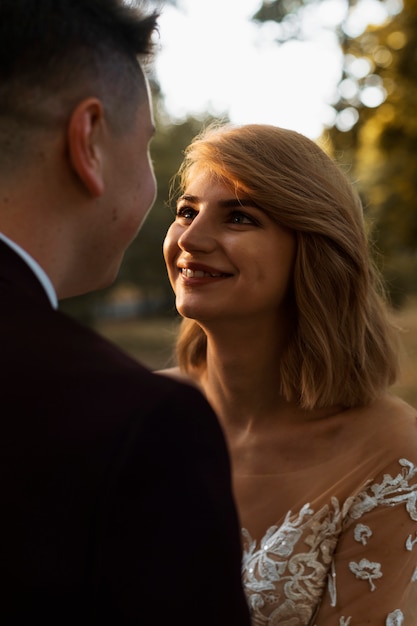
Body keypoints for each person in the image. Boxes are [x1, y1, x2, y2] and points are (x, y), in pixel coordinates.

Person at [0, 3, 252, 625]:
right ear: (88, 141)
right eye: (144, 148)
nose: (188, 236)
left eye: (239, 215)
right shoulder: (140, 424)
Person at [161, 122, 417, 625]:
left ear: (314, 248)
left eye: (238, 217)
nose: (191, 238)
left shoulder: (392, 453)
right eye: (186, 211)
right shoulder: (140, 412)